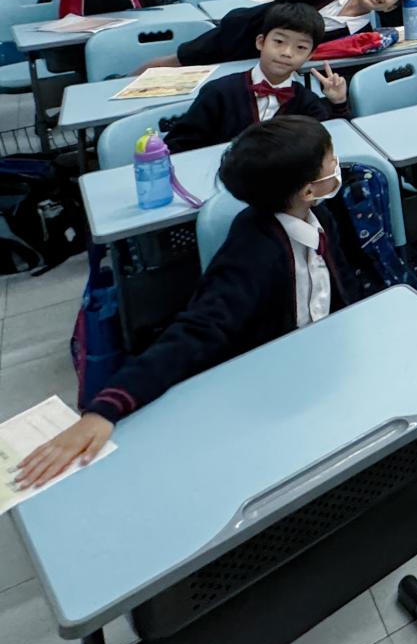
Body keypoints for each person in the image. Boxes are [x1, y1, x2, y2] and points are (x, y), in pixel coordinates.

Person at [13, 117, 357, 488]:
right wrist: (106, 408)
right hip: (272, 380)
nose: (338, 165)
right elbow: (197, 330)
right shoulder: (253, 250)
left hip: (324, 357)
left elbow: (342, 286)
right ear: (308, 189)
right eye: (331, 161)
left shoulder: (320, 215)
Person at [159, 0, 413, 68]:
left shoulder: (362, 38)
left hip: (269, 66)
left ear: (390, 8)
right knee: (172, 65)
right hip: (241, 34)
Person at [164, 4, 349, 152]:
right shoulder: (219, 92)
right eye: (279, 42)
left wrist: (339, 103)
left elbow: (328, 144)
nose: (287, 52)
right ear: (260, 42)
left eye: (300, 47)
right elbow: (178, 145)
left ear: (310, 56)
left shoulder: (307, 102)